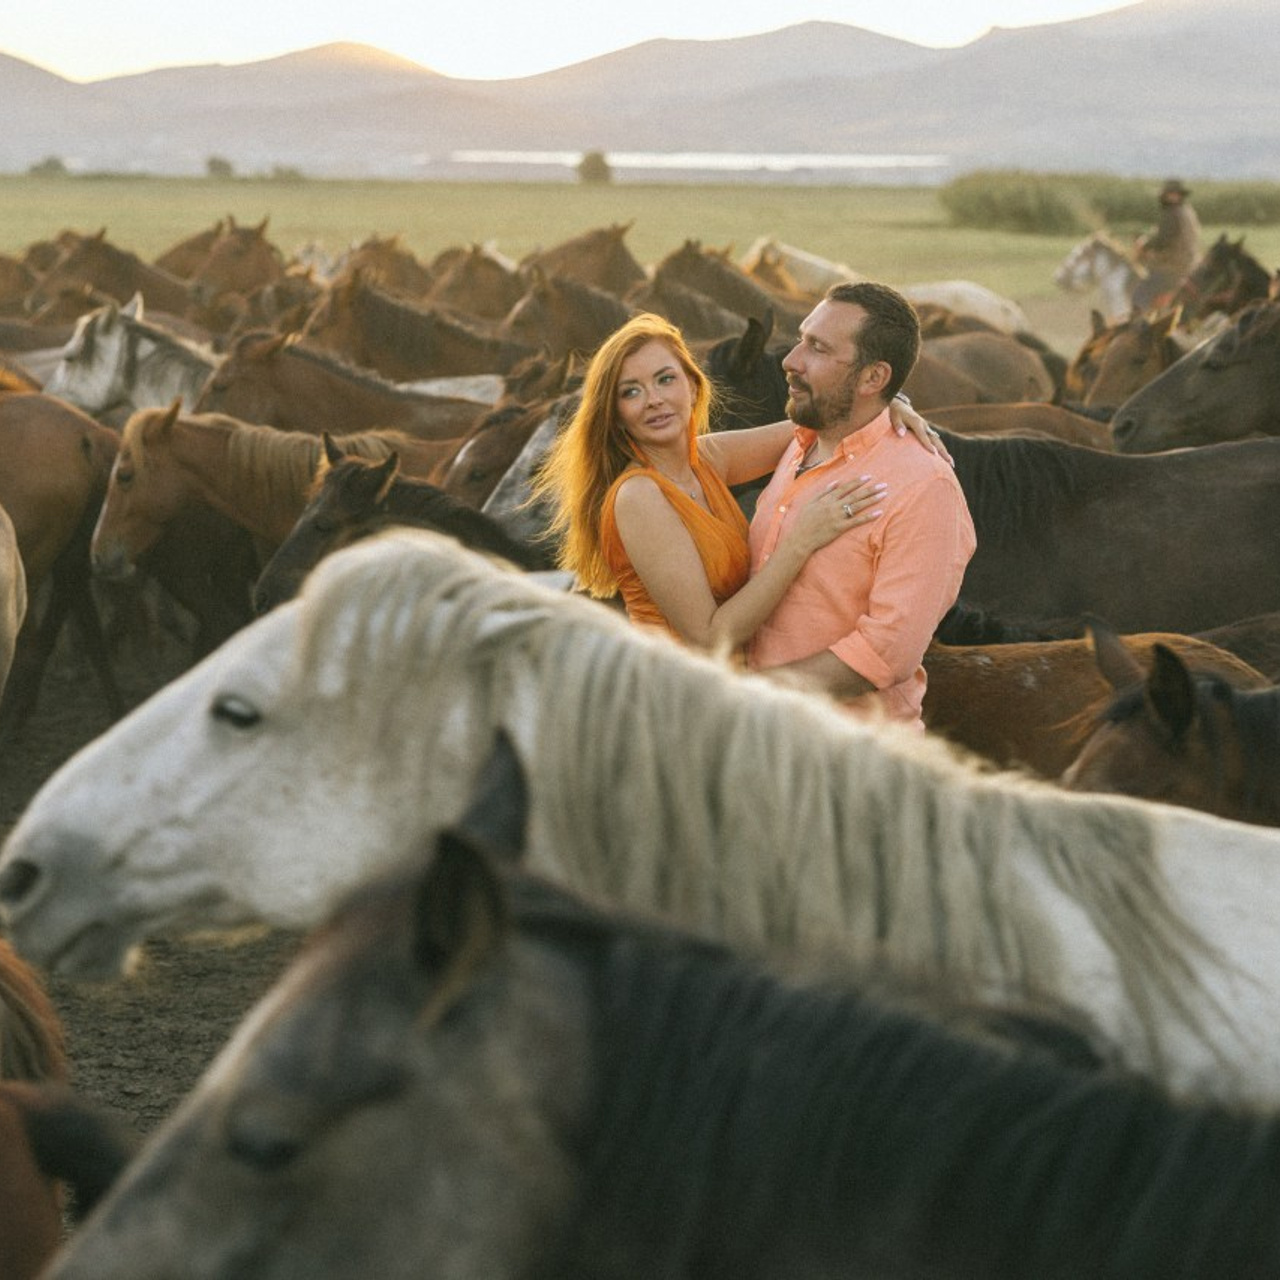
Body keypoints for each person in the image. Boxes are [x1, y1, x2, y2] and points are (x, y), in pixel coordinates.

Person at [534, 311, 942, 656]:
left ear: (693, 386)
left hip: (735, 691)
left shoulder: (707, 460)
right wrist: (801, 541)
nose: (654, 399)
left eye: (664, 379)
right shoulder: (639, 496)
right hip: (681, 699)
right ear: (615, 413)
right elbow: (709, 638)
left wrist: (890, 405)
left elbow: (813, 424)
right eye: (631, 392)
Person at [747, 281, 976, 728]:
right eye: (801, 339)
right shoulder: (801, 446)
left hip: (850, 762)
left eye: (817, 348)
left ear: (874, 378)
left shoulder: (924, 487)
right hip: (763, 741)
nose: (790, 361)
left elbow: (885, 653)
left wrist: (744, 696)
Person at [1131, 178, 1202, 311]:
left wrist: (1144, 244)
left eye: (1171, 193)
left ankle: (1139, 327)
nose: (1168, 196)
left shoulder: (1172, 213)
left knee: (1140, 294)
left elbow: (1163, 240)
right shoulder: (1187, 211)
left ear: (1176, 195)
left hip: (1173, 268)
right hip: (1190, 266)